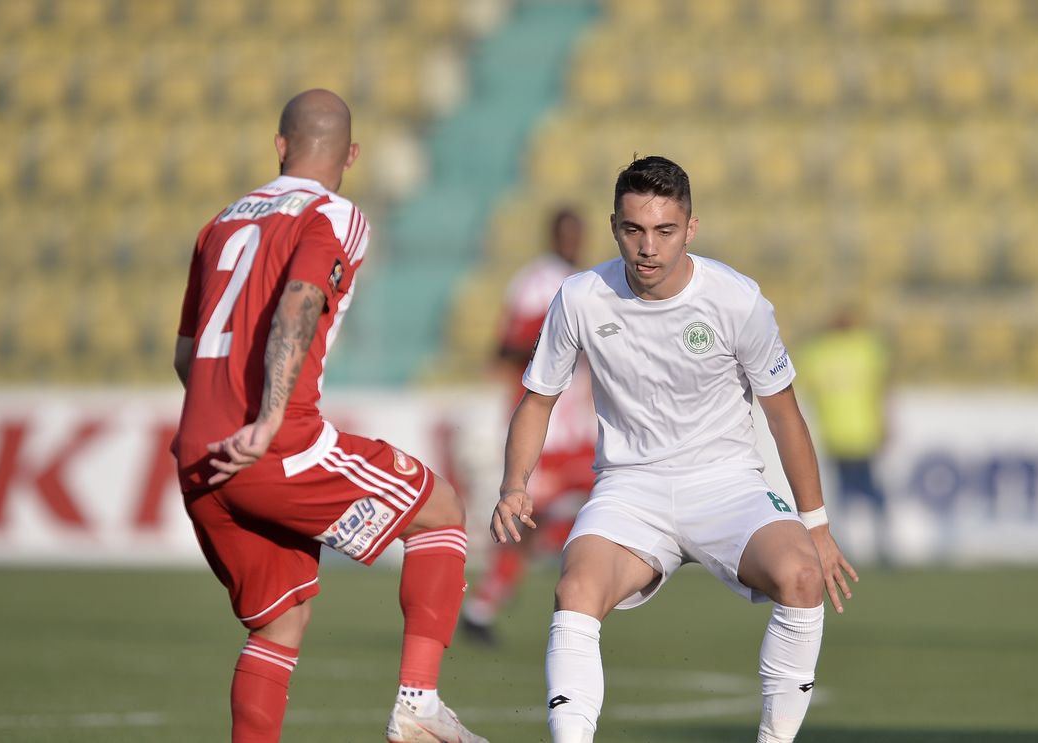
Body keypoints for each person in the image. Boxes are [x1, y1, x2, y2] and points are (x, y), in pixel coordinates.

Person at [490, 155, 858, 743]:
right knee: (574, 590)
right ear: (614, 227)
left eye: (664, 230)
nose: (648, 248)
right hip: (629, 488)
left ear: (690, 228)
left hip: (727, 483)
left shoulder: (737, 300)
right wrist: (514, 485)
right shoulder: (581, 297)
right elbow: (537, 400)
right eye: (634, 230)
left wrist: (815, 524)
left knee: (802, 577)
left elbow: (784, 414)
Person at [172, 89, 488, 743]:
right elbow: (300, 299)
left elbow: (185, 355)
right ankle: (418, 705)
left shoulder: (221, 221)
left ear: (280, 145)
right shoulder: (335, 213)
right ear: (351, 155)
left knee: (278, 623)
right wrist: (265, 421)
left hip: (199, 457)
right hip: (275, 444)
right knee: (442, 510)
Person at [461, 208, 598, 646]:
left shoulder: (590, 283)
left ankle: (585, 603)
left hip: (580, 434)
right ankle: (480, 608)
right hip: (547, 433)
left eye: (579, 235)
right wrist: (555, 335)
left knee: (610, 501)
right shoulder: (536, 282)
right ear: (553, 235)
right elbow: (506, 347)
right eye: (567, 234)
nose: (574, 242)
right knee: (524, 525)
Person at [793, 307, 893, 566]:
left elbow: (801, 387)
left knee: (845, 493)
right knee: (869, 491)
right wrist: (885, 423)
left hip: (836, 433)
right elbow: (883, 386)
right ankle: (879, 545)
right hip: (861, 432)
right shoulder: (866, 346)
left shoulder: (818, 351)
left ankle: (850, 545)